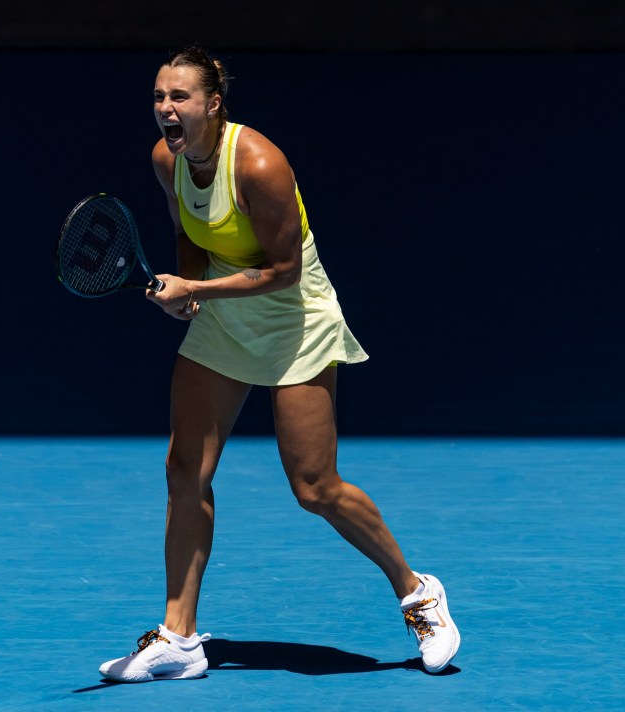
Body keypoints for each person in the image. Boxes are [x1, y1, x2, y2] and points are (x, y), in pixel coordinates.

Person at [98, 46, 460, 683]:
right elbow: (191, 233)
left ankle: (418, 591)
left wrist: (198, 292)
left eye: (180, 97)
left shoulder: (261, 164)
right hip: (224, 318)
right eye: (159, 97)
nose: (165, 109)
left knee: (314, 487)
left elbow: (282, 270)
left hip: (293, 319)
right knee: (185, 470)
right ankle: (179, 638)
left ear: (214, 103)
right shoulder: (167, 159)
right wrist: (185, 287)